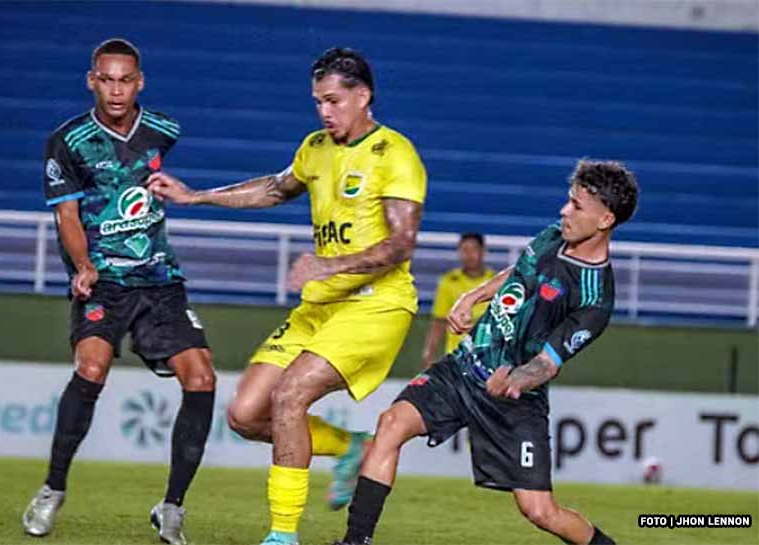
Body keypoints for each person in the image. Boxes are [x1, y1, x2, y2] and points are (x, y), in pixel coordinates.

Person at [149, 47, 427, 545]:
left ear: (363, 96)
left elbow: (402, 243)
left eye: (333, 100)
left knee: (290, 394)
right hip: (319, 306)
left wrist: (329, 264)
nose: (324, 111)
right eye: (318, 101)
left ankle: (282, 534)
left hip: (375, 304)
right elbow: (276, 189)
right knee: (245, 414)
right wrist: (197, 196)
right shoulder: (315, 147)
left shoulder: (395, 153)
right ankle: (352, 447)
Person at [336, 160, 639, 545]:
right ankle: (355, 541)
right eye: (568, 200)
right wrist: (473, 295)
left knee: (540, 511)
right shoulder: (554, 235)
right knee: (392, 423)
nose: (564, 210)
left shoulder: (595, 299)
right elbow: (520, 270)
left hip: (514, 402)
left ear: (605, 220)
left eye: (577, 206)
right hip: (465, 367)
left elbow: (547, 363)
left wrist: (515, 380)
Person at [22, 38, 216, 545]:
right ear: (92, 81)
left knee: (202, 378)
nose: (115, 90)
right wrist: (83, 265)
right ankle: (53, 488)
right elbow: (67, 215)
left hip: (159, 279)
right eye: (105, 79)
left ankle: (172, 507)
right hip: (103, 280)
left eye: (125, 80)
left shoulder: (163, 131)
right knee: (91, 368)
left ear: (139, 82)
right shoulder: (68, 141)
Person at [421, 233, 495, 367]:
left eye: (473, 249)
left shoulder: (495, 282)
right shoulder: (448, 281)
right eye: (464, 250)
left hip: (488, 357)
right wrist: (429, 353)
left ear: (483, 251)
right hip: (456, 357)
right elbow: (439, 321)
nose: (469, 255)